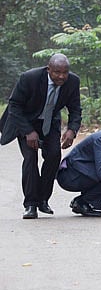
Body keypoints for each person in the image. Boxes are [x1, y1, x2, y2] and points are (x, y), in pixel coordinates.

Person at [0, 53, 81, 219]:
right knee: (30, 158)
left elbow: (75, 108)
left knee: (53, 156)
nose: (61, 76)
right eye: (57, 72)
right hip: (26, 121)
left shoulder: (72, 81)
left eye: (65, 72)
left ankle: (43, 199)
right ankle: (30, 204)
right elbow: (14, 106)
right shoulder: (29, 78)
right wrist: (28, 131)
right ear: (48, 69)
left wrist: (72, 130)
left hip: (50, 122)